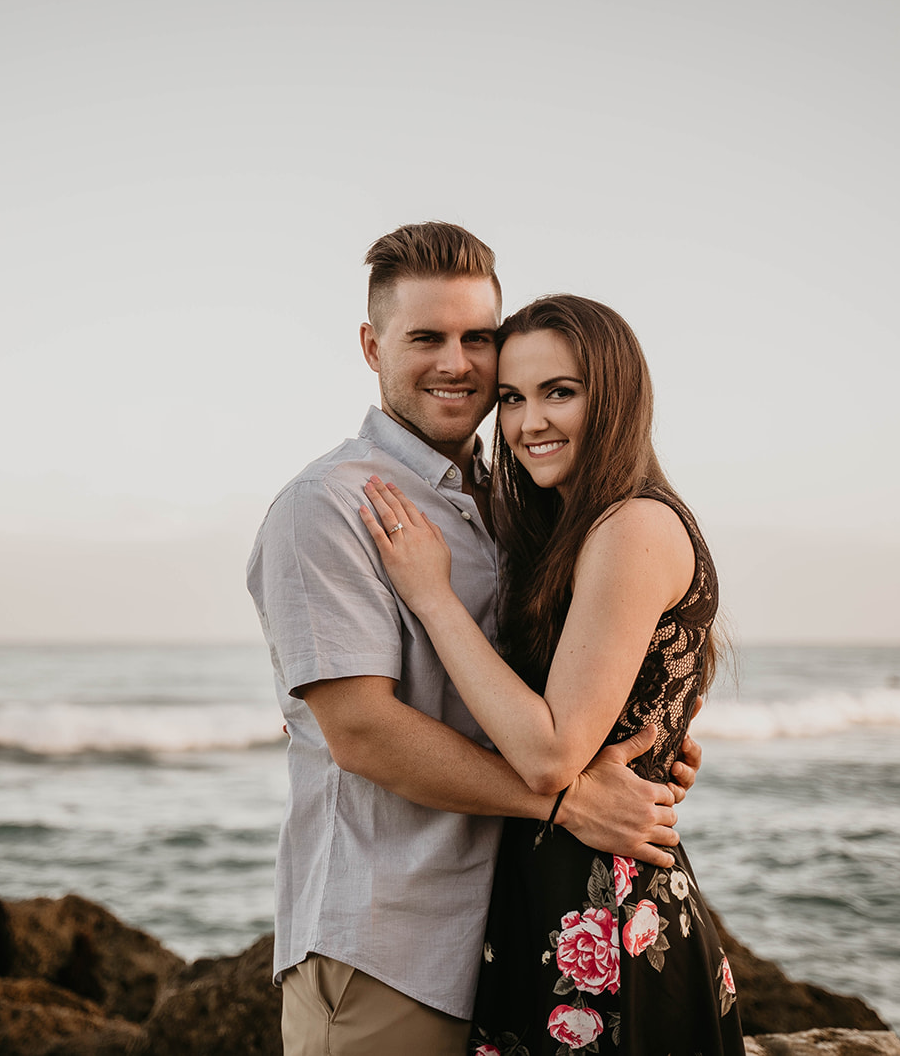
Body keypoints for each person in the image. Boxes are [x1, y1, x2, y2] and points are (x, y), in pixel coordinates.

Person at [246, 224, 703, 1056]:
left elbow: (552, 680)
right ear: (371, 345)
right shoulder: (331, 505)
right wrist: (565, 798)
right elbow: (360, 731)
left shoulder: (513, 506)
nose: (456, 363)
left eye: (477, 338)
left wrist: (647, 737)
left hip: (511, 934)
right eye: (426, 337)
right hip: (388, 942)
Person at [357, 294, 743, 1055]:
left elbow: (549, 753)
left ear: (616, 398)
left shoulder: (631, 526)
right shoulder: (567, 531)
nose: (529, 421)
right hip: (551, 903)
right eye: (511, 398)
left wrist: (432, 597)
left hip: (606, 914)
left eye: (559, 392)